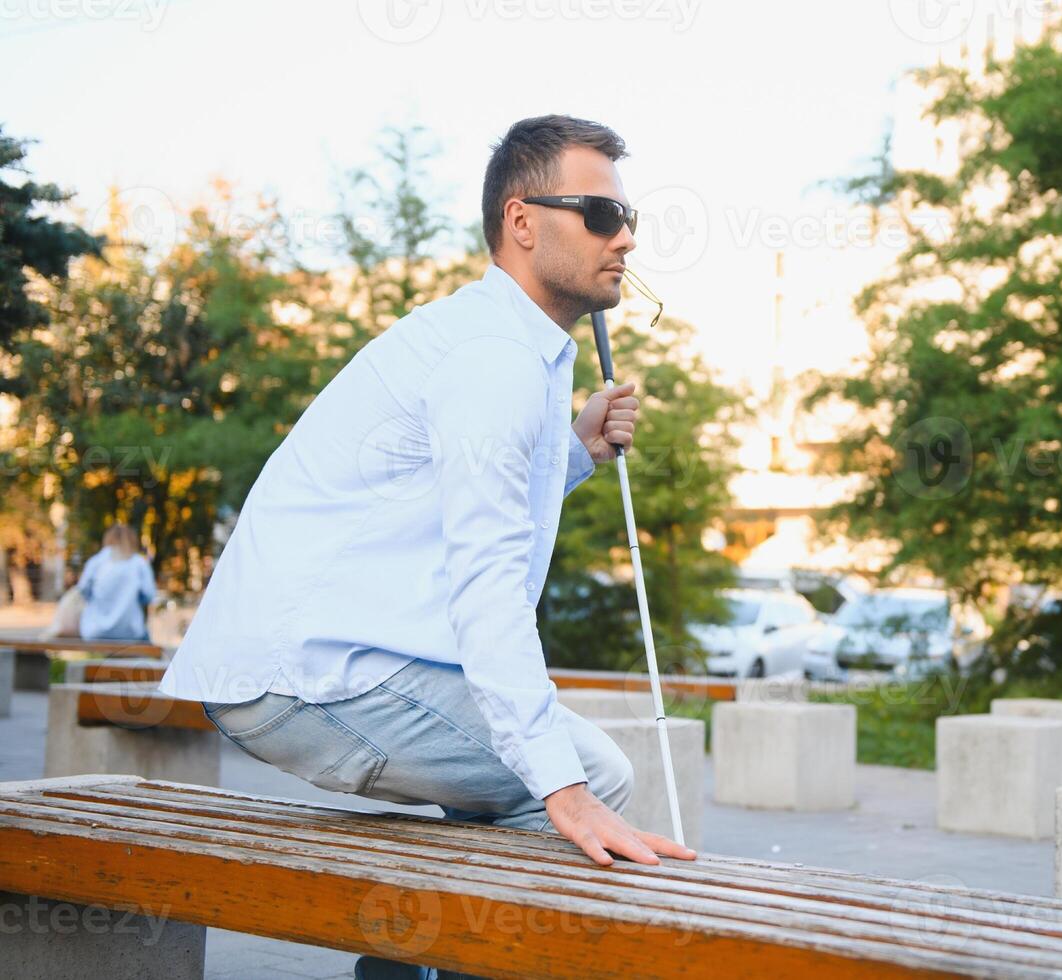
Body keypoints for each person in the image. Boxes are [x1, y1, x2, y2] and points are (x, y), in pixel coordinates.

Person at [158, 115, 695, 980]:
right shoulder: (493, 356)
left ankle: (399, 967)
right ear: (523, 222)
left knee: (519, 783)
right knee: (588, 775)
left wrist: (576, 452)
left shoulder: (490, 343)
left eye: (628, 217)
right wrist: (560, 787)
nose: (624, 235)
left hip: (310, 668)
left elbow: (442, 506)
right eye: (599, 212)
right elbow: (483, 581)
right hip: (306, 677)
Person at [76, 524, 156, 643]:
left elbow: (82, 589)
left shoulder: (96, 561)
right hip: (130, 633)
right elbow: (149, 595)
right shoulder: (139, 563)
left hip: (94, 632)